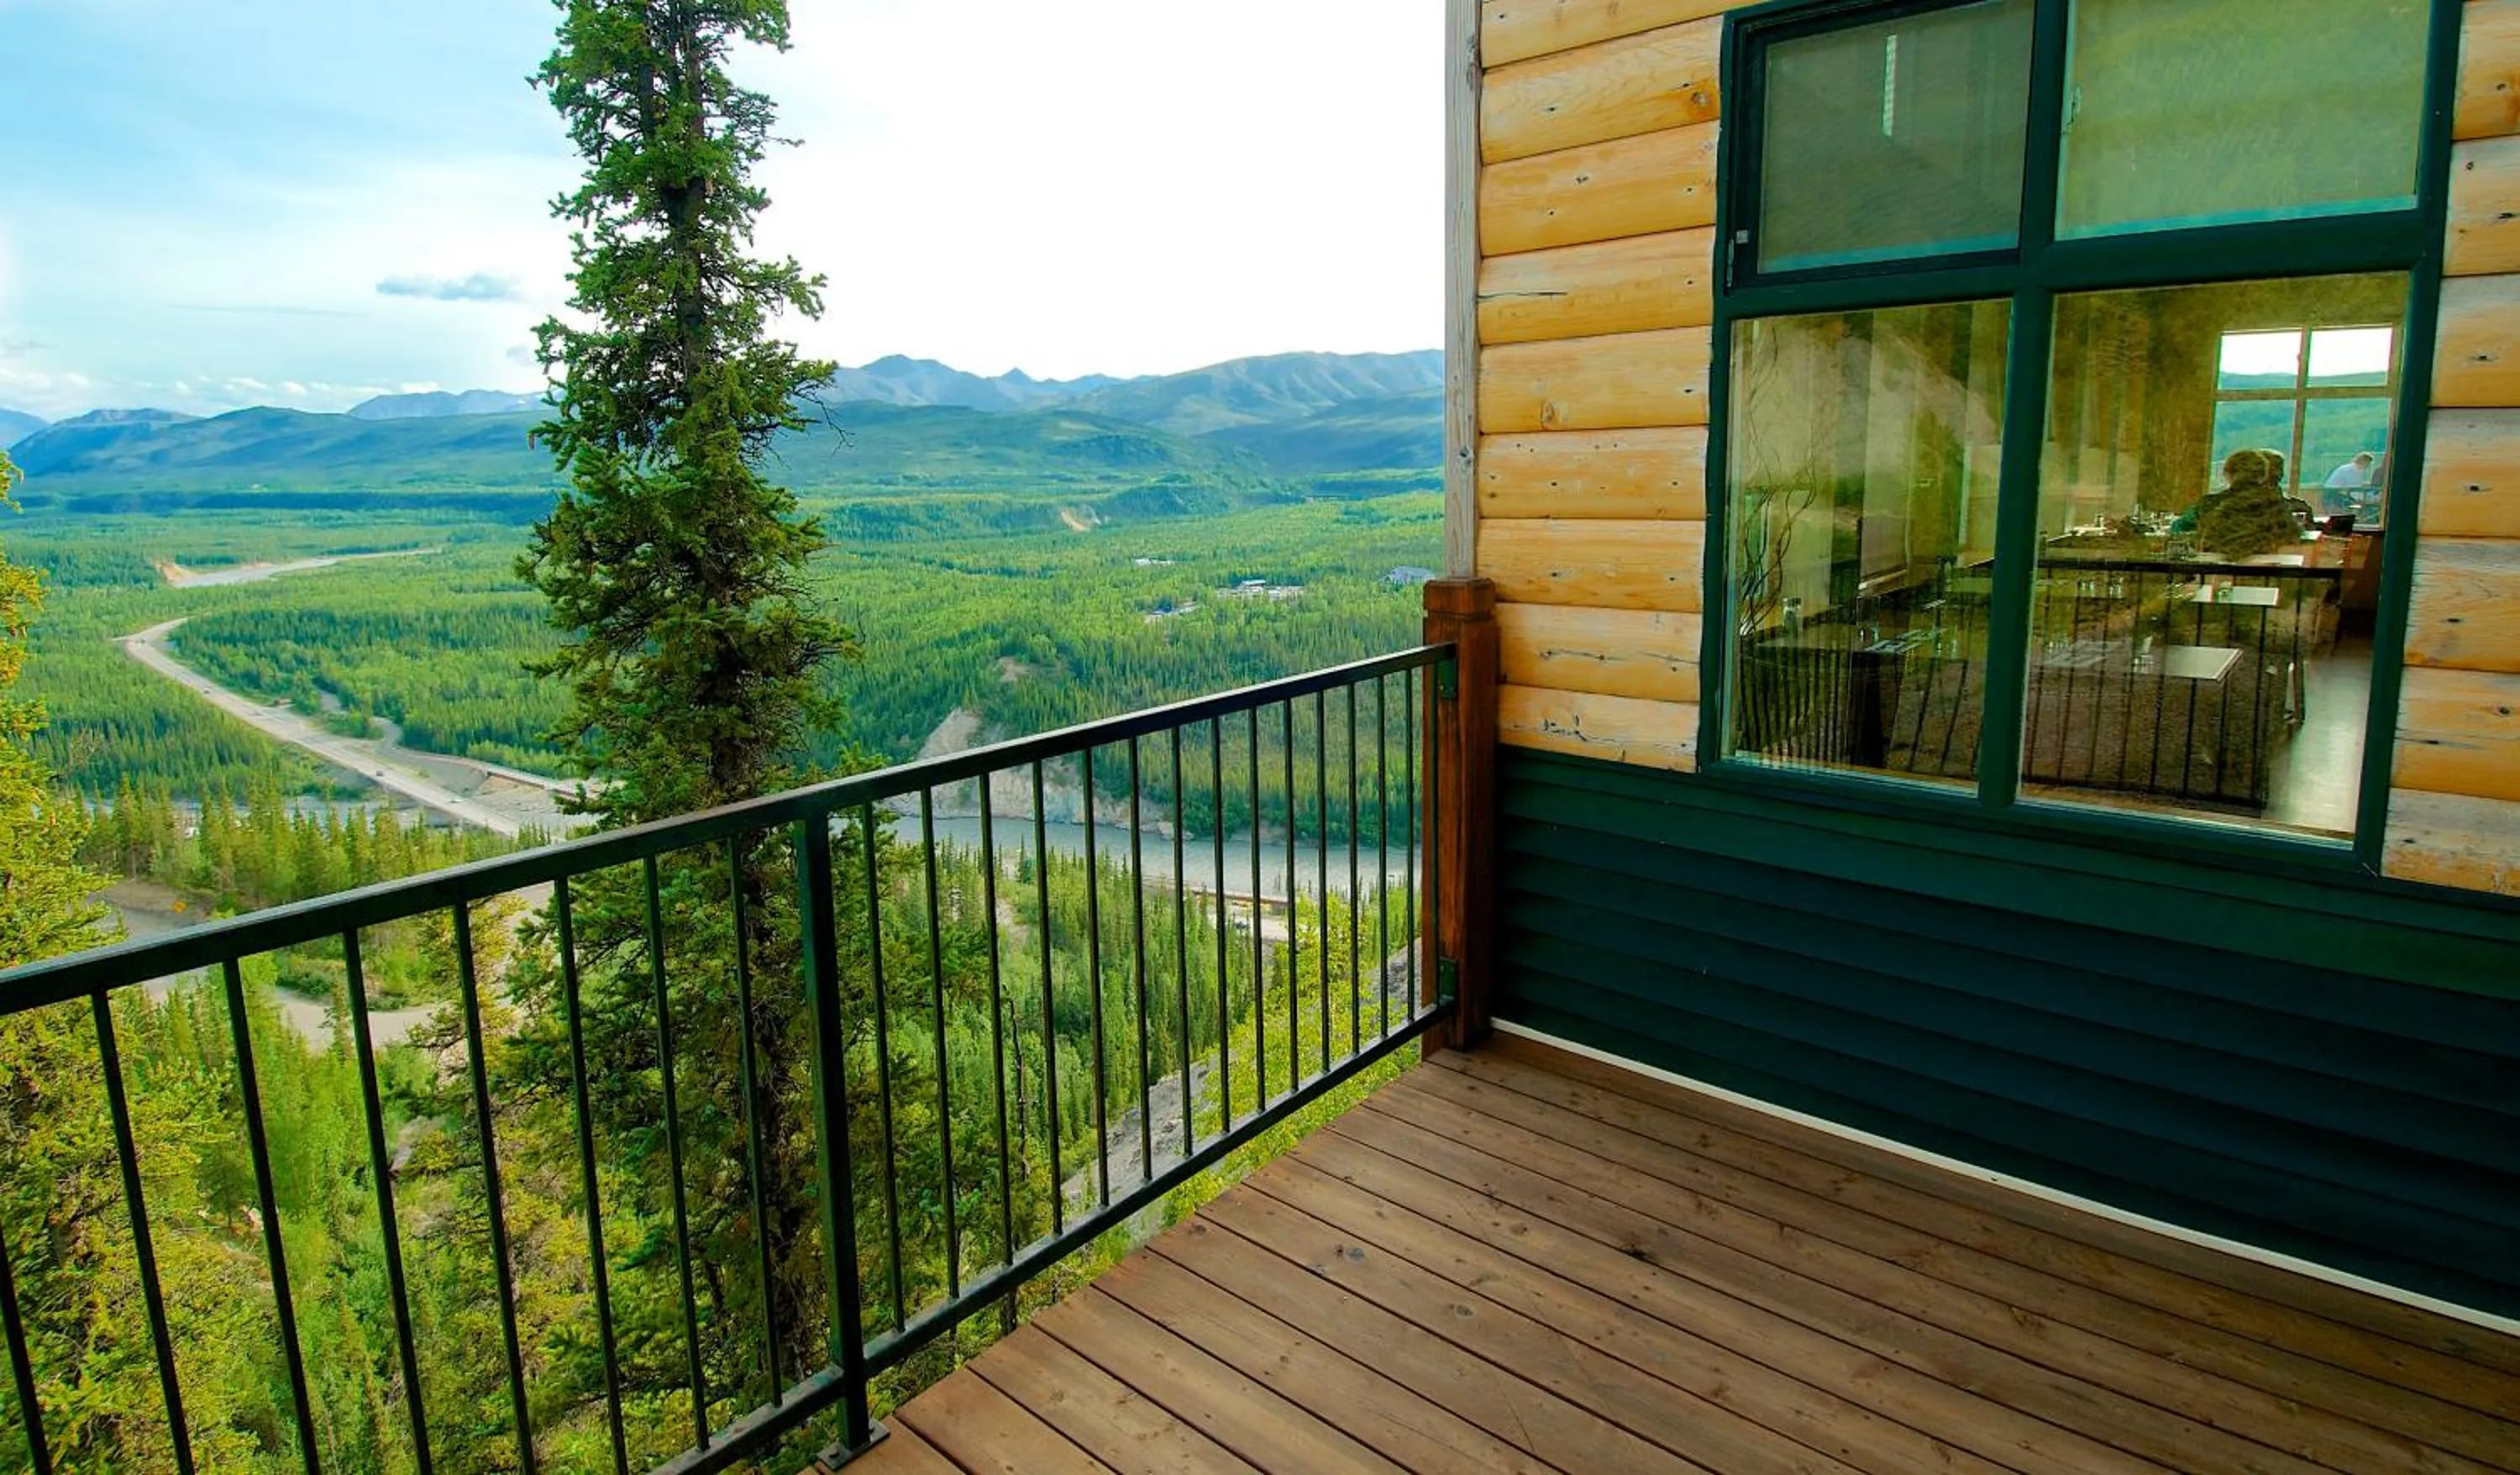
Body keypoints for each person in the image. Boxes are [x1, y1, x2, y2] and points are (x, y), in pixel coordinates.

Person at [2176, 448, 2300, 559]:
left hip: (2217, 570)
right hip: (2268, 571)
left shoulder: (2209, 504)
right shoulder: (2278, 507)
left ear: (2228, 474)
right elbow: (2294, 537)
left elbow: (2178, 529)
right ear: (2263, 475)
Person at [2321, 451, 2376, 517]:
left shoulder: (2351, 468)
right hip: (2333, 497)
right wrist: (2368, 499)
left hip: (2332, 495)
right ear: (2365, 462)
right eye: (2368, 464)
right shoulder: (2352, 470)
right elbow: (2355, 491)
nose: (2368, 467)